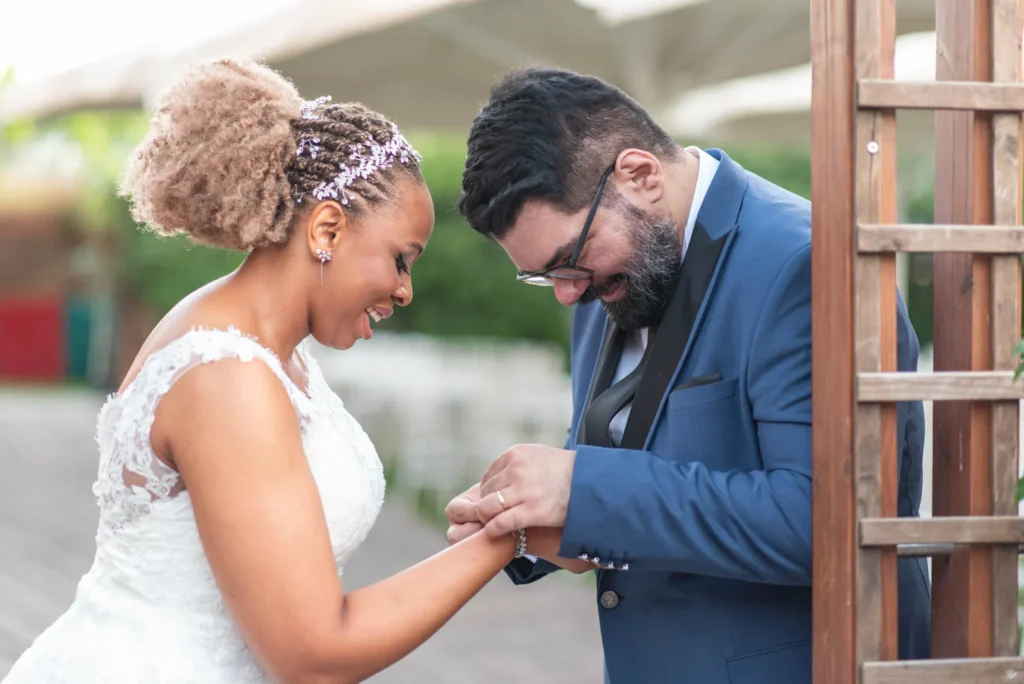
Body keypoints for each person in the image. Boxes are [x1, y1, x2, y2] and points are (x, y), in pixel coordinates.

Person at [2, 58, 564, 684]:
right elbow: (312, 654)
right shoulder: (226, 376)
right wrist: (506, 536)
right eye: (401, 260)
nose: (406, 291)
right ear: (327, 228)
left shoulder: (270, 351)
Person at [445, 67, 931, 684]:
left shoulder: (809, 265)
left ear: (641, 175)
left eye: (569, 260)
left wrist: (583, 490)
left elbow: (831, 521)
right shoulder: (610, 279)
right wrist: (527, 522)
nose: (568, 296)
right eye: (546, 275)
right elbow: (624, 486)